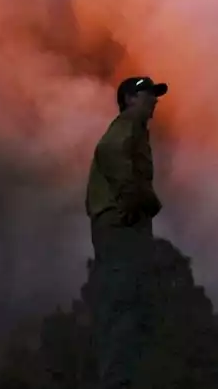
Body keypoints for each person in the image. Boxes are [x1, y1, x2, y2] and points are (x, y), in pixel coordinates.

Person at [86, 76, 168, 389]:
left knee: (129, 304)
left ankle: (123, 379)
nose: (155, 100)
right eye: (149, 94)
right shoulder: (128, 123)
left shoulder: (135, 128)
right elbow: (108, 150)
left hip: (121, 225)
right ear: (131, 98)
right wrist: (135, 198)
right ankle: (118, 382)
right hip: (119, 226)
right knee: (123, 304)